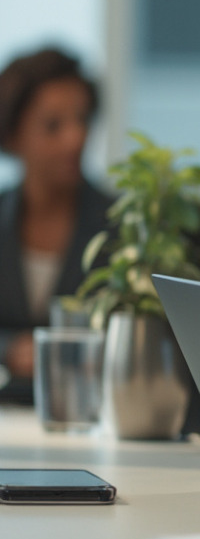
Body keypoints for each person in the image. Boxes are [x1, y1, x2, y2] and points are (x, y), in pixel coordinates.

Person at [0, 47, 112, 390]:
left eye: (83, 120)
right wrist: (7, 348)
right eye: (53, 125)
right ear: (12, 136)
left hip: (88, 419)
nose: (76, 138)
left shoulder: (120, 227)